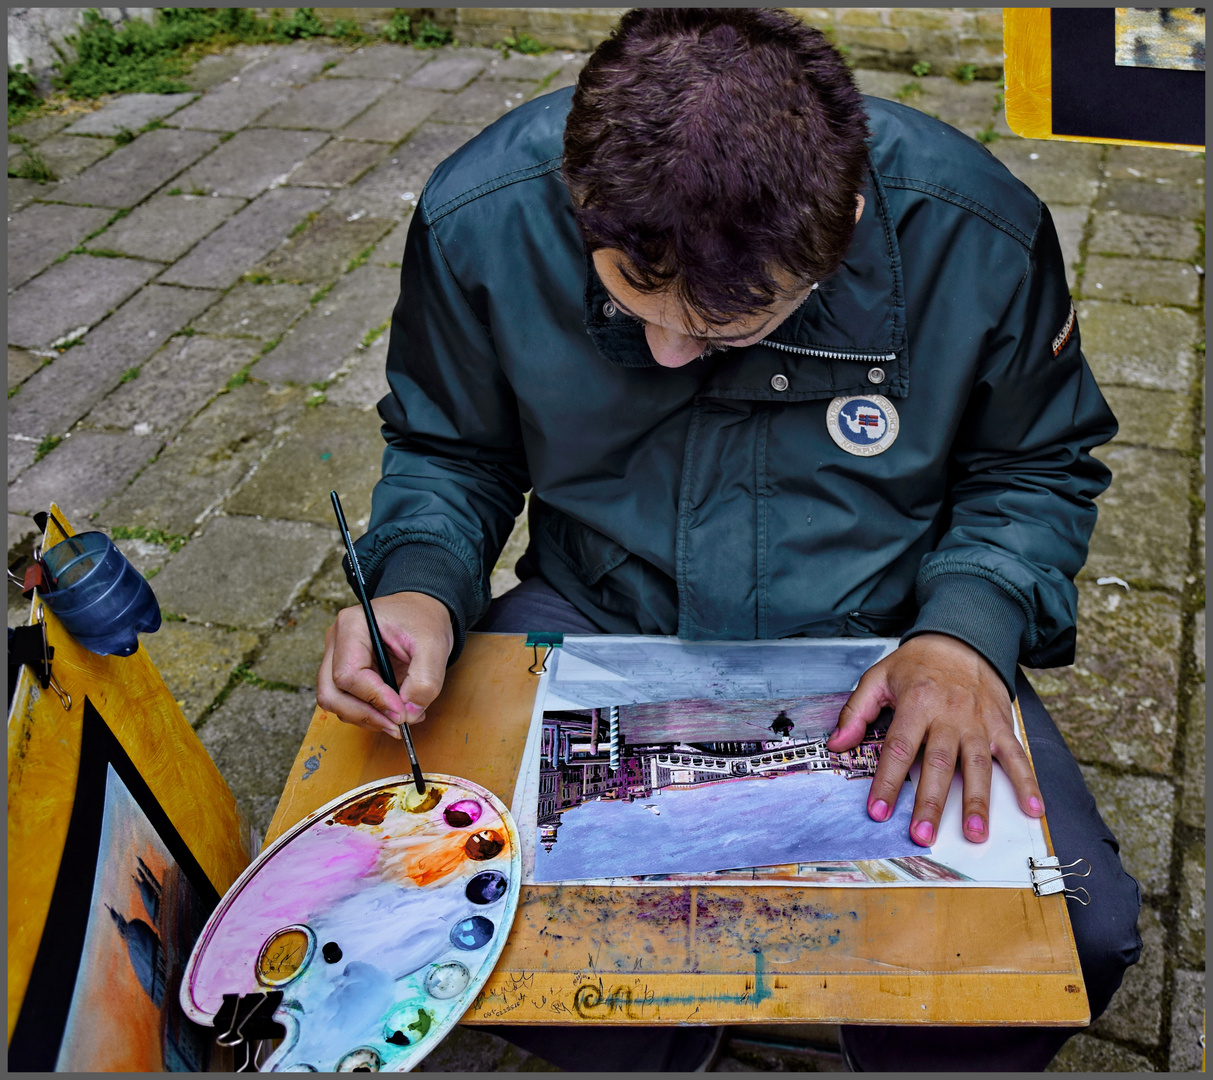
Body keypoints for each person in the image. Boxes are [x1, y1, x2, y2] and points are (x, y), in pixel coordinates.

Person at [317, 8, 1141, 1071]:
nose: (666, 354)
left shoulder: (971, 231)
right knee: (437, 897)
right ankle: (655, 1047)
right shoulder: (481, 217)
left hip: (887, 635)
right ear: (580, 197)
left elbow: (1032, 465)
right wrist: (420, 588)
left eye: (723, 328)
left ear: (840, 222)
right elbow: (449, 447)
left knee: (1073, 931)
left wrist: (967, 633)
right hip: (597, 608)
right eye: (631, 299)